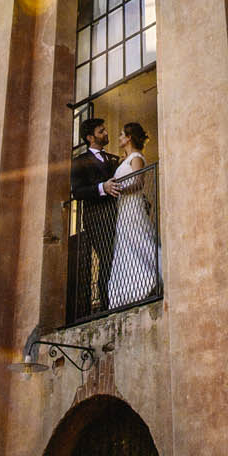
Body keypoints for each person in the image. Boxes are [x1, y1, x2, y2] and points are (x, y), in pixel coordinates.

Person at [69, 116, 121, 313]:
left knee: (119, 257)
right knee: (106, 258)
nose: (106, 133)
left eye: (105, 129)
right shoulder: (79, 162)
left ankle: (120, 298)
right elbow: (78, 192)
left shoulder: (113, 159)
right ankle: (106, 307)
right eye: (101, 131)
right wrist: (102, 187)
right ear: (90, 137)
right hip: (96, 218)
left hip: (117, 215)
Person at [107, 122, 160, 308]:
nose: (119, 138)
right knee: (125, 244)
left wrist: (119, 188)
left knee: (139, 239)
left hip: (133, 205)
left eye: (122, 134)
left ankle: (151, 279)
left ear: (129, 137)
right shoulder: (125, 159)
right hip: (123, 209)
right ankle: (130, 291)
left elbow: (138, 183)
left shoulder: (136, 157)